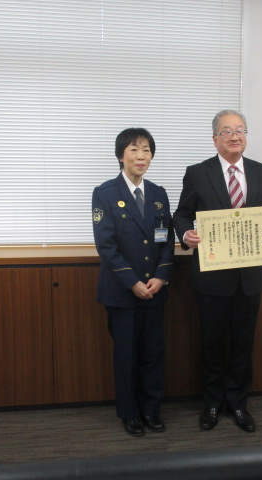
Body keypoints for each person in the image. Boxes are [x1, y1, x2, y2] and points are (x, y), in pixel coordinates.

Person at [173, 110, 262, 433]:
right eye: (227, 131)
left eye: (240, 130)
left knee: (243, 343)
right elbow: (181, 215)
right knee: (212, 343)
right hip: (211, 276)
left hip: (250, 277)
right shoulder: (197, 173)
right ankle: (211, 403)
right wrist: (186, 235)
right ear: (215, 139)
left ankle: (237, 403)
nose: (235, 136)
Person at [92, 128, 174, 437]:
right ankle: (130, 414)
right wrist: (133, 282)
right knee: (126, 356)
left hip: (155, 291)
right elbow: (106, 246)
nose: (141, 156)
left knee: (153, 353)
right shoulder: (105, 193)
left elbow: (166, 240)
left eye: (147, 150)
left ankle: (152, 410)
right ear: (120, 156)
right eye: (134, 150)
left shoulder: (158, 194)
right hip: (122, 293)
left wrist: (161, 276)